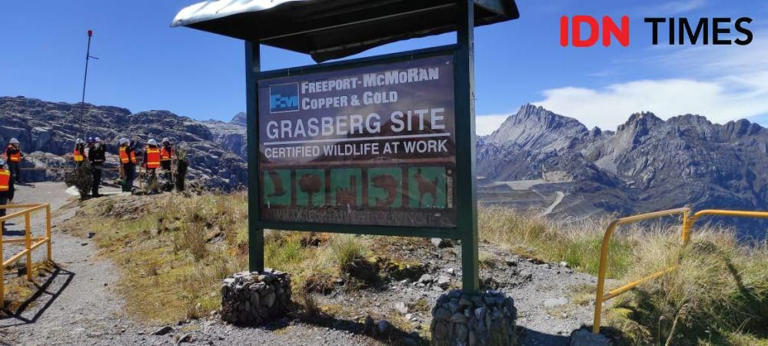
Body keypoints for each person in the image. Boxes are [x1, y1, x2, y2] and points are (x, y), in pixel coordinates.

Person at [0, 159, 14, 232]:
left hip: (3, 194)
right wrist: (11, 196)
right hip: (4, 195)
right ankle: (1, 228)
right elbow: (11, 185)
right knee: (2, 211)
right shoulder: (7, 173)